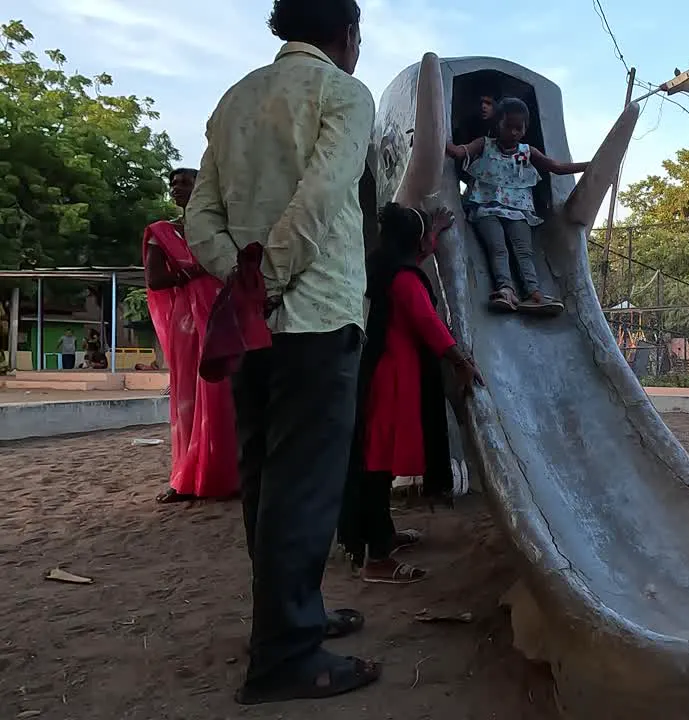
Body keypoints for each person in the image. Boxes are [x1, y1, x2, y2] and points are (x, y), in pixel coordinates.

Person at [184, 0, 380, 705]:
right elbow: (323, 197)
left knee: (268, 484)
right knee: (303, 489)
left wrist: (241, 279)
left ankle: (290, 618)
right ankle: (286, 656)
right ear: (348, 33)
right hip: (316, 316)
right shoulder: (342, 94)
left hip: (248, 325)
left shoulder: (234, 100)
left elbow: (197, 216)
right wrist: (267, 280)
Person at [338, 202, 482, 584]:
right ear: (412, 243)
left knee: (376, 462)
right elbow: (428, 322)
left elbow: (414, 257)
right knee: (375, 464)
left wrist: (429, 235)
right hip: (393, 377)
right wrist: (461, 362)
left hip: (380, 370)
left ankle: (383, 535)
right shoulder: (404, 279)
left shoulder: (381, 266)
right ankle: (377, 560)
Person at [145, 167, 239, 504]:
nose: (178, 188)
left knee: (224, 394)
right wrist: (197, 270)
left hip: (221, 314)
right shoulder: (163, 233)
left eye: (187, 183)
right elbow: (155, 281)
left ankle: (230, 474)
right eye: (173, 183)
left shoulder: (223, 227)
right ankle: (184, 477)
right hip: (187, 322)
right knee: (187, 397)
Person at [445, 97, 589, 316]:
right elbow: (458, 152)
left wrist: (592, 165)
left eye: (518, 128)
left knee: (524, 251)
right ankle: (506, 290)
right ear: (498, 124)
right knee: (498, 248)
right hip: (486, 208)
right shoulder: (485, 144)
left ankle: (534, 294)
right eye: (508, 126)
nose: (513, 132)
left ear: (525, 128)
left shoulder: (526, 151)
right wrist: (431, 138)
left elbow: (556, 167)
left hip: (518, 210)